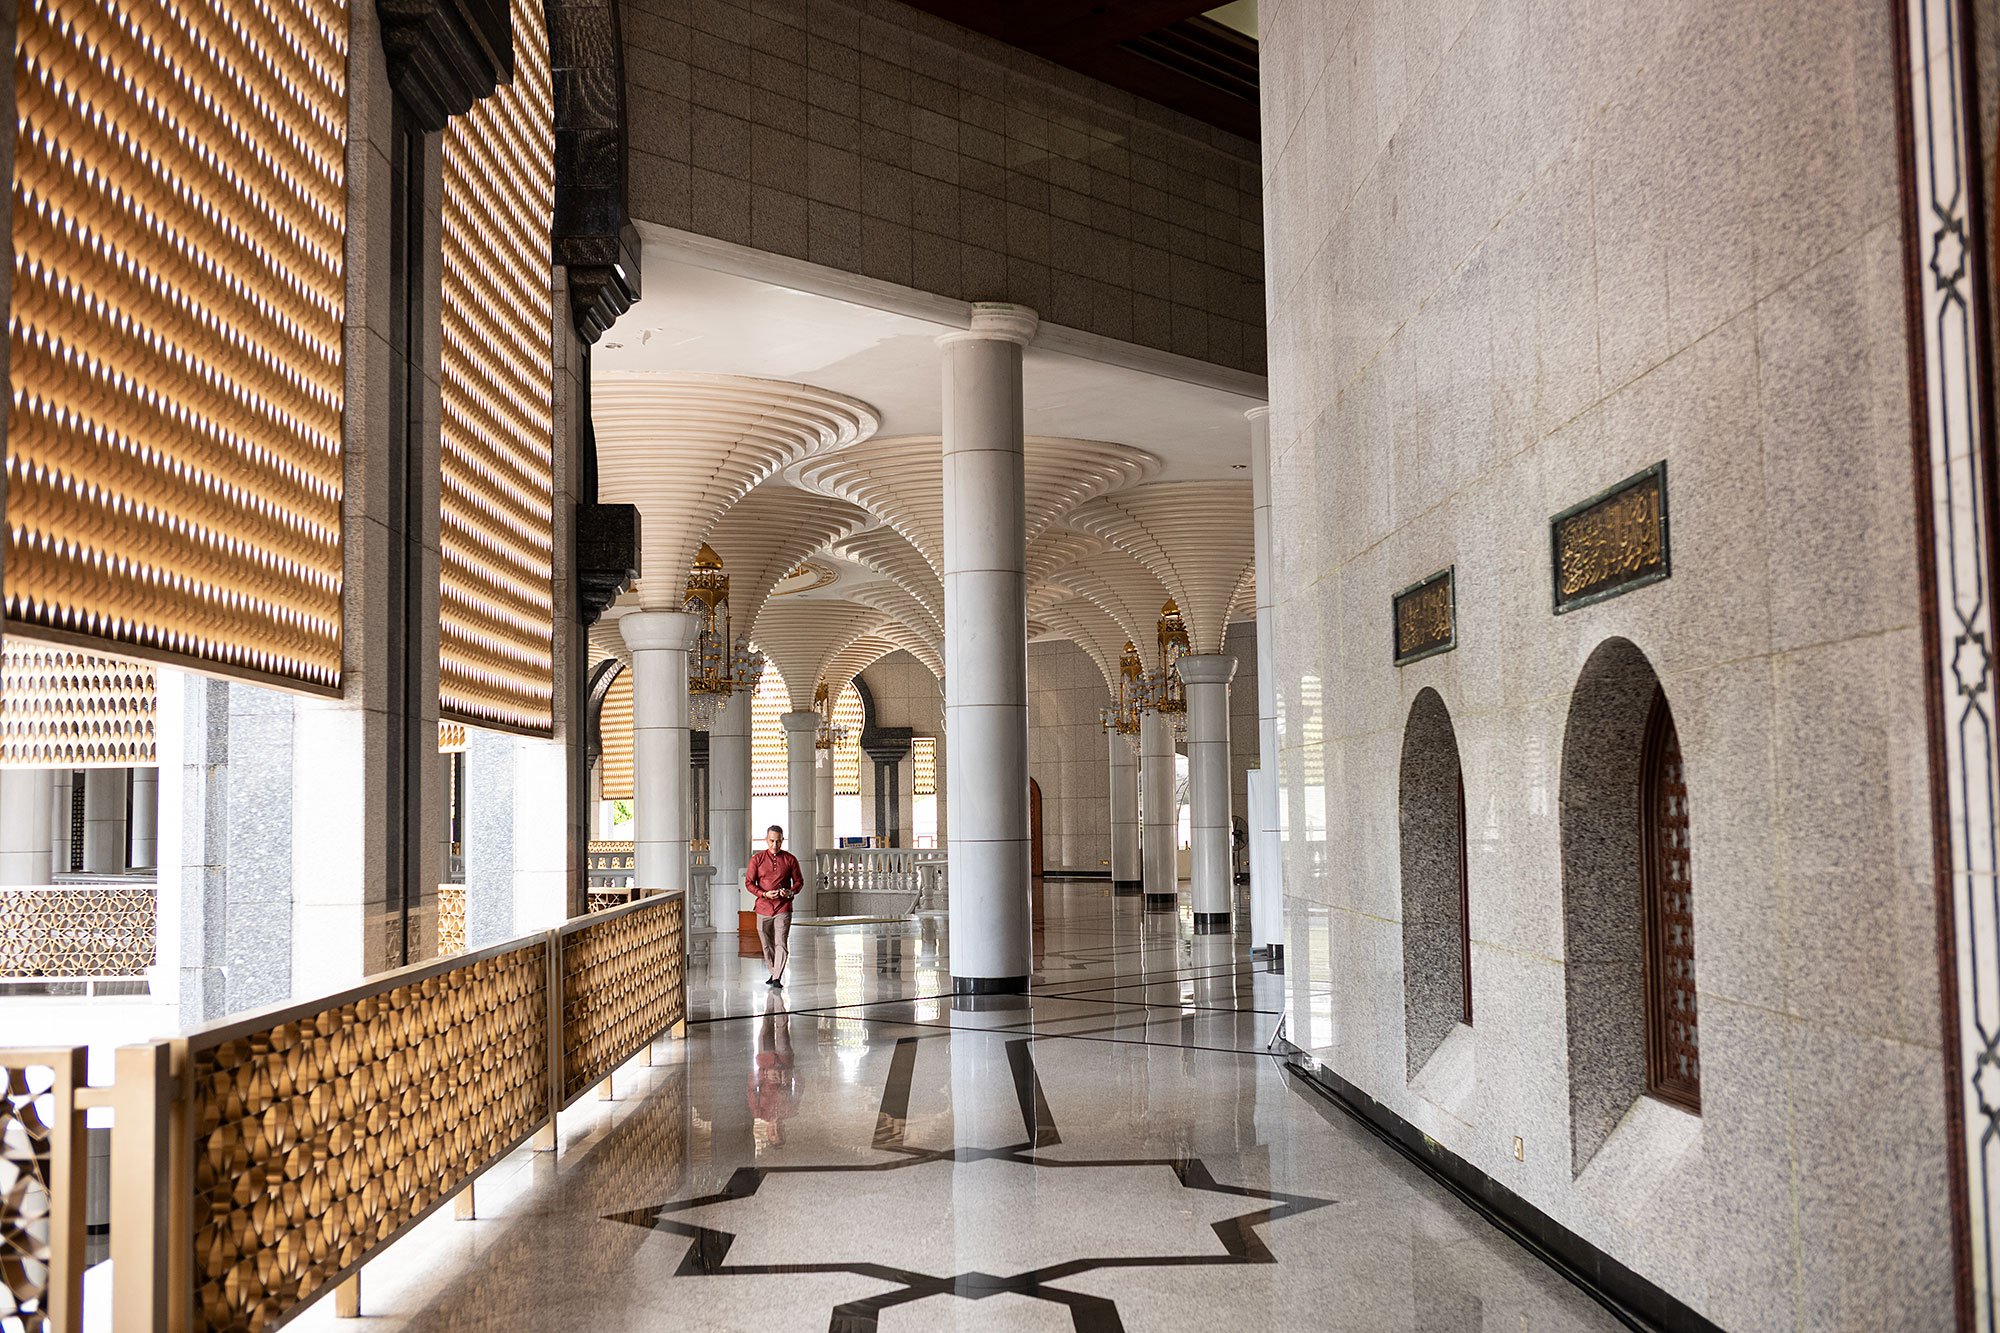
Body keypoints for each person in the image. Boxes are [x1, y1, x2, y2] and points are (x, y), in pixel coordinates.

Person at [746, 824, 803, 986]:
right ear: (766, 840)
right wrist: (763, 894)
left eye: (778, 841)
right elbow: (749, 883)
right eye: (771, 841)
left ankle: (777, 976)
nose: (774, 845)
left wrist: (791, 892)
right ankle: (773, 971)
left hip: (783, 907)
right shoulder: (757, 859)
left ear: (782, 840)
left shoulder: (790, 859)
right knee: (766, 943)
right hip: (763, 907)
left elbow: (799, 881)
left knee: (781, 943)